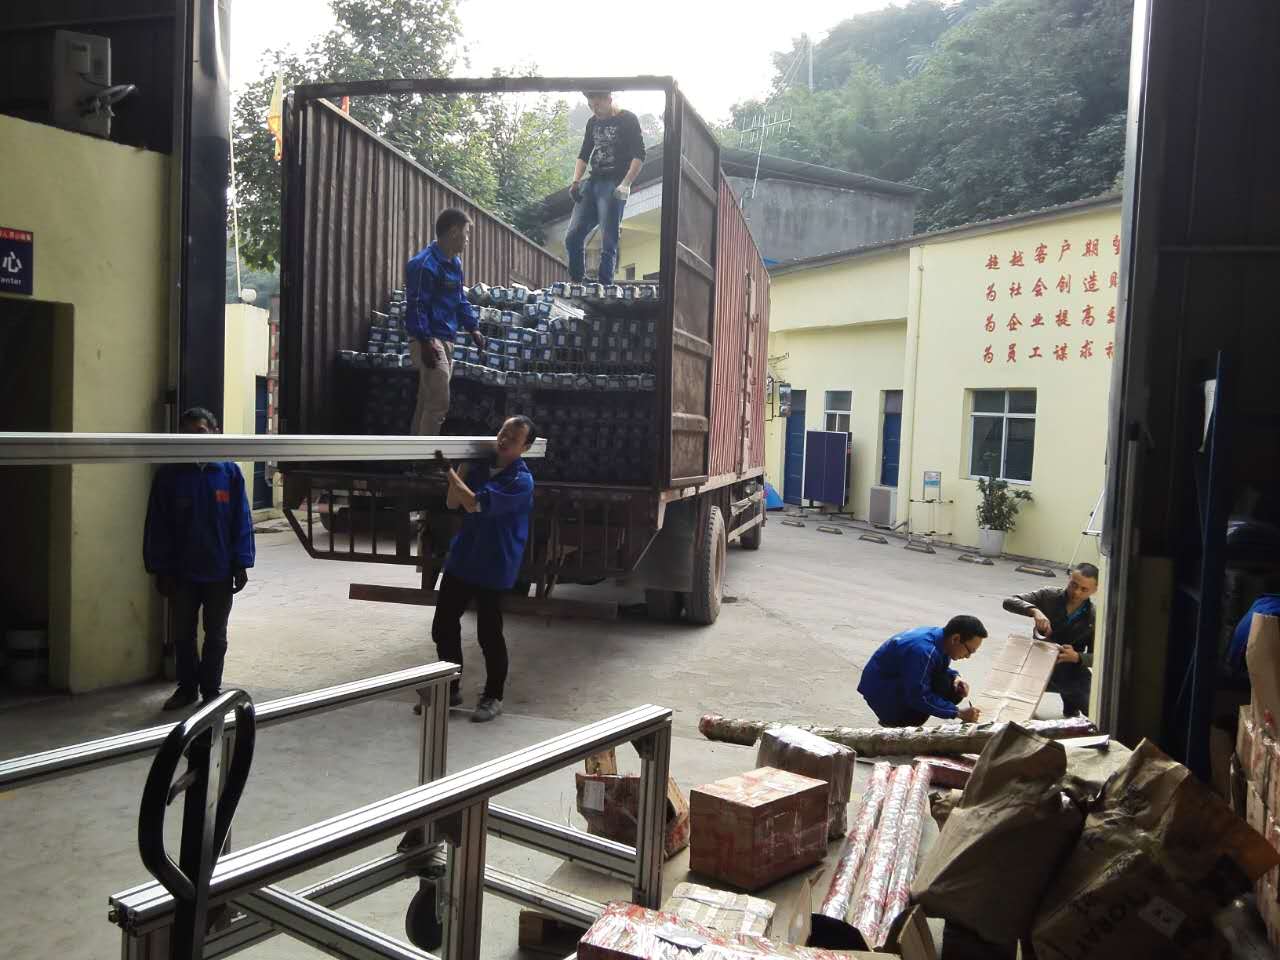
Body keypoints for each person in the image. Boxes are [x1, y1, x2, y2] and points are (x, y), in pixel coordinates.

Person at [143, 407, 255, 710]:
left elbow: (241, 520)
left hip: (219, 570)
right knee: (183, 634)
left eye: (201, 432)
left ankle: (210, 691)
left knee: (216, 635)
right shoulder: (169, 475)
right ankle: (186, 688)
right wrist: (160, 568)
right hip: (181, 573)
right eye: (188, 433)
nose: (194, 438)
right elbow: (157, 524)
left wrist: (241, 562)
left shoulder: (229, 473)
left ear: (216, 433)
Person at [427, 415, 536, 723]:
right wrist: (461, 465)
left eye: (513, 438)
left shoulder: (520, 480)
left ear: (526, 447)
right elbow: (453, 502)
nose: (504, 439)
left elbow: (475, 504)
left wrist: (448, 470)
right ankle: (449, 689)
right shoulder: (479, 468)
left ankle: (493, 696)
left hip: (495, 563)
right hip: (464, 557)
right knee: (443, 625)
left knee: (489, 633)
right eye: (503, 432)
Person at [405, 208, 485, 435]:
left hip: (447, 338)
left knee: (427, 401)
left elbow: (460, 299)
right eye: (466, 234)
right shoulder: (423, 264)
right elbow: (417, 305)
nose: (467, 240)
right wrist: (425, 341)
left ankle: (413, 453)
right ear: (453, 232)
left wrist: (473, 328)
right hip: (429, 340)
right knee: (439, 402)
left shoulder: (454, 264)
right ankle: (426, 456)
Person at [565, 91, 646, 285]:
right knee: (572, 236)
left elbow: (639, 155)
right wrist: (575, 181)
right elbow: (584, 154)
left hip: (613, 182)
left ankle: (604, 285)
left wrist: (626, 183)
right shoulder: (592, 123)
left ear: (609, 100)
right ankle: (577, 281)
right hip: (593, 181)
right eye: (591, 106)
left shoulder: (627, 119)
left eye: (598, 105)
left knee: (608, 239)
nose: (595, 110)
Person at [1003, 562, 1099, 717]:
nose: (1076, 592)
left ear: (1095, 590)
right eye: (1073, 585)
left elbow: (1099, 659)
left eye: (1084, 589)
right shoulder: (1048, 596)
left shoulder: (1094, 617)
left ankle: (1071, 702)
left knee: (1095, 710)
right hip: (1037, 662)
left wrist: (1078, 656)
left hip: (1069, 668)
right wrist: (1034, 611)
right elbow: (1009, 601)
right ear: (1069, 578)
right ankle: (1024, 702)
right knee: (1012, 702)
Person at [857, 616, 987, 726]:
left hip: (893, 680)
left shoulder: (940, 638)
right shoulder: (923, 651)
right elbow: (918, 696)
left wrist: (956, 677)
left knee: (952, 687)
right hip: (882, 692)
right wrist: (957, 712)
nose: (968, 656)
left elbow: (935, 666)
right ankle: (896, 722)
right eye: (969, 651)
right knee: (926, 703)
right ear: (956, 639)